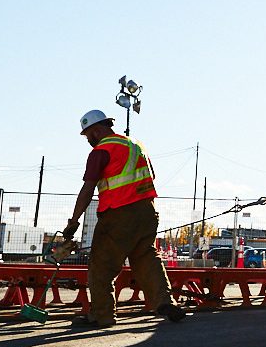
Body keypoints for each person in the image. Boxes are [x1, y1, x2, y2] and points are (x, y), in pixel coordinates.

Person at [64, 109, 185, 328]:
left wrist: (73, 222)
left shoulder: (101, 151)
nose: (88, 140)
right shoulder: (136, 145)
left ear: (98, 130)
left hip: (118, 214)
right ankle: (165, 302)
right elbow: (151, 176)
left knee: (101, 265)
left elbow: (88, 188)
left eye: (88, 135)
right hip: (147, 212)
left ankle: (102, 316)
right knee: (147, 258)